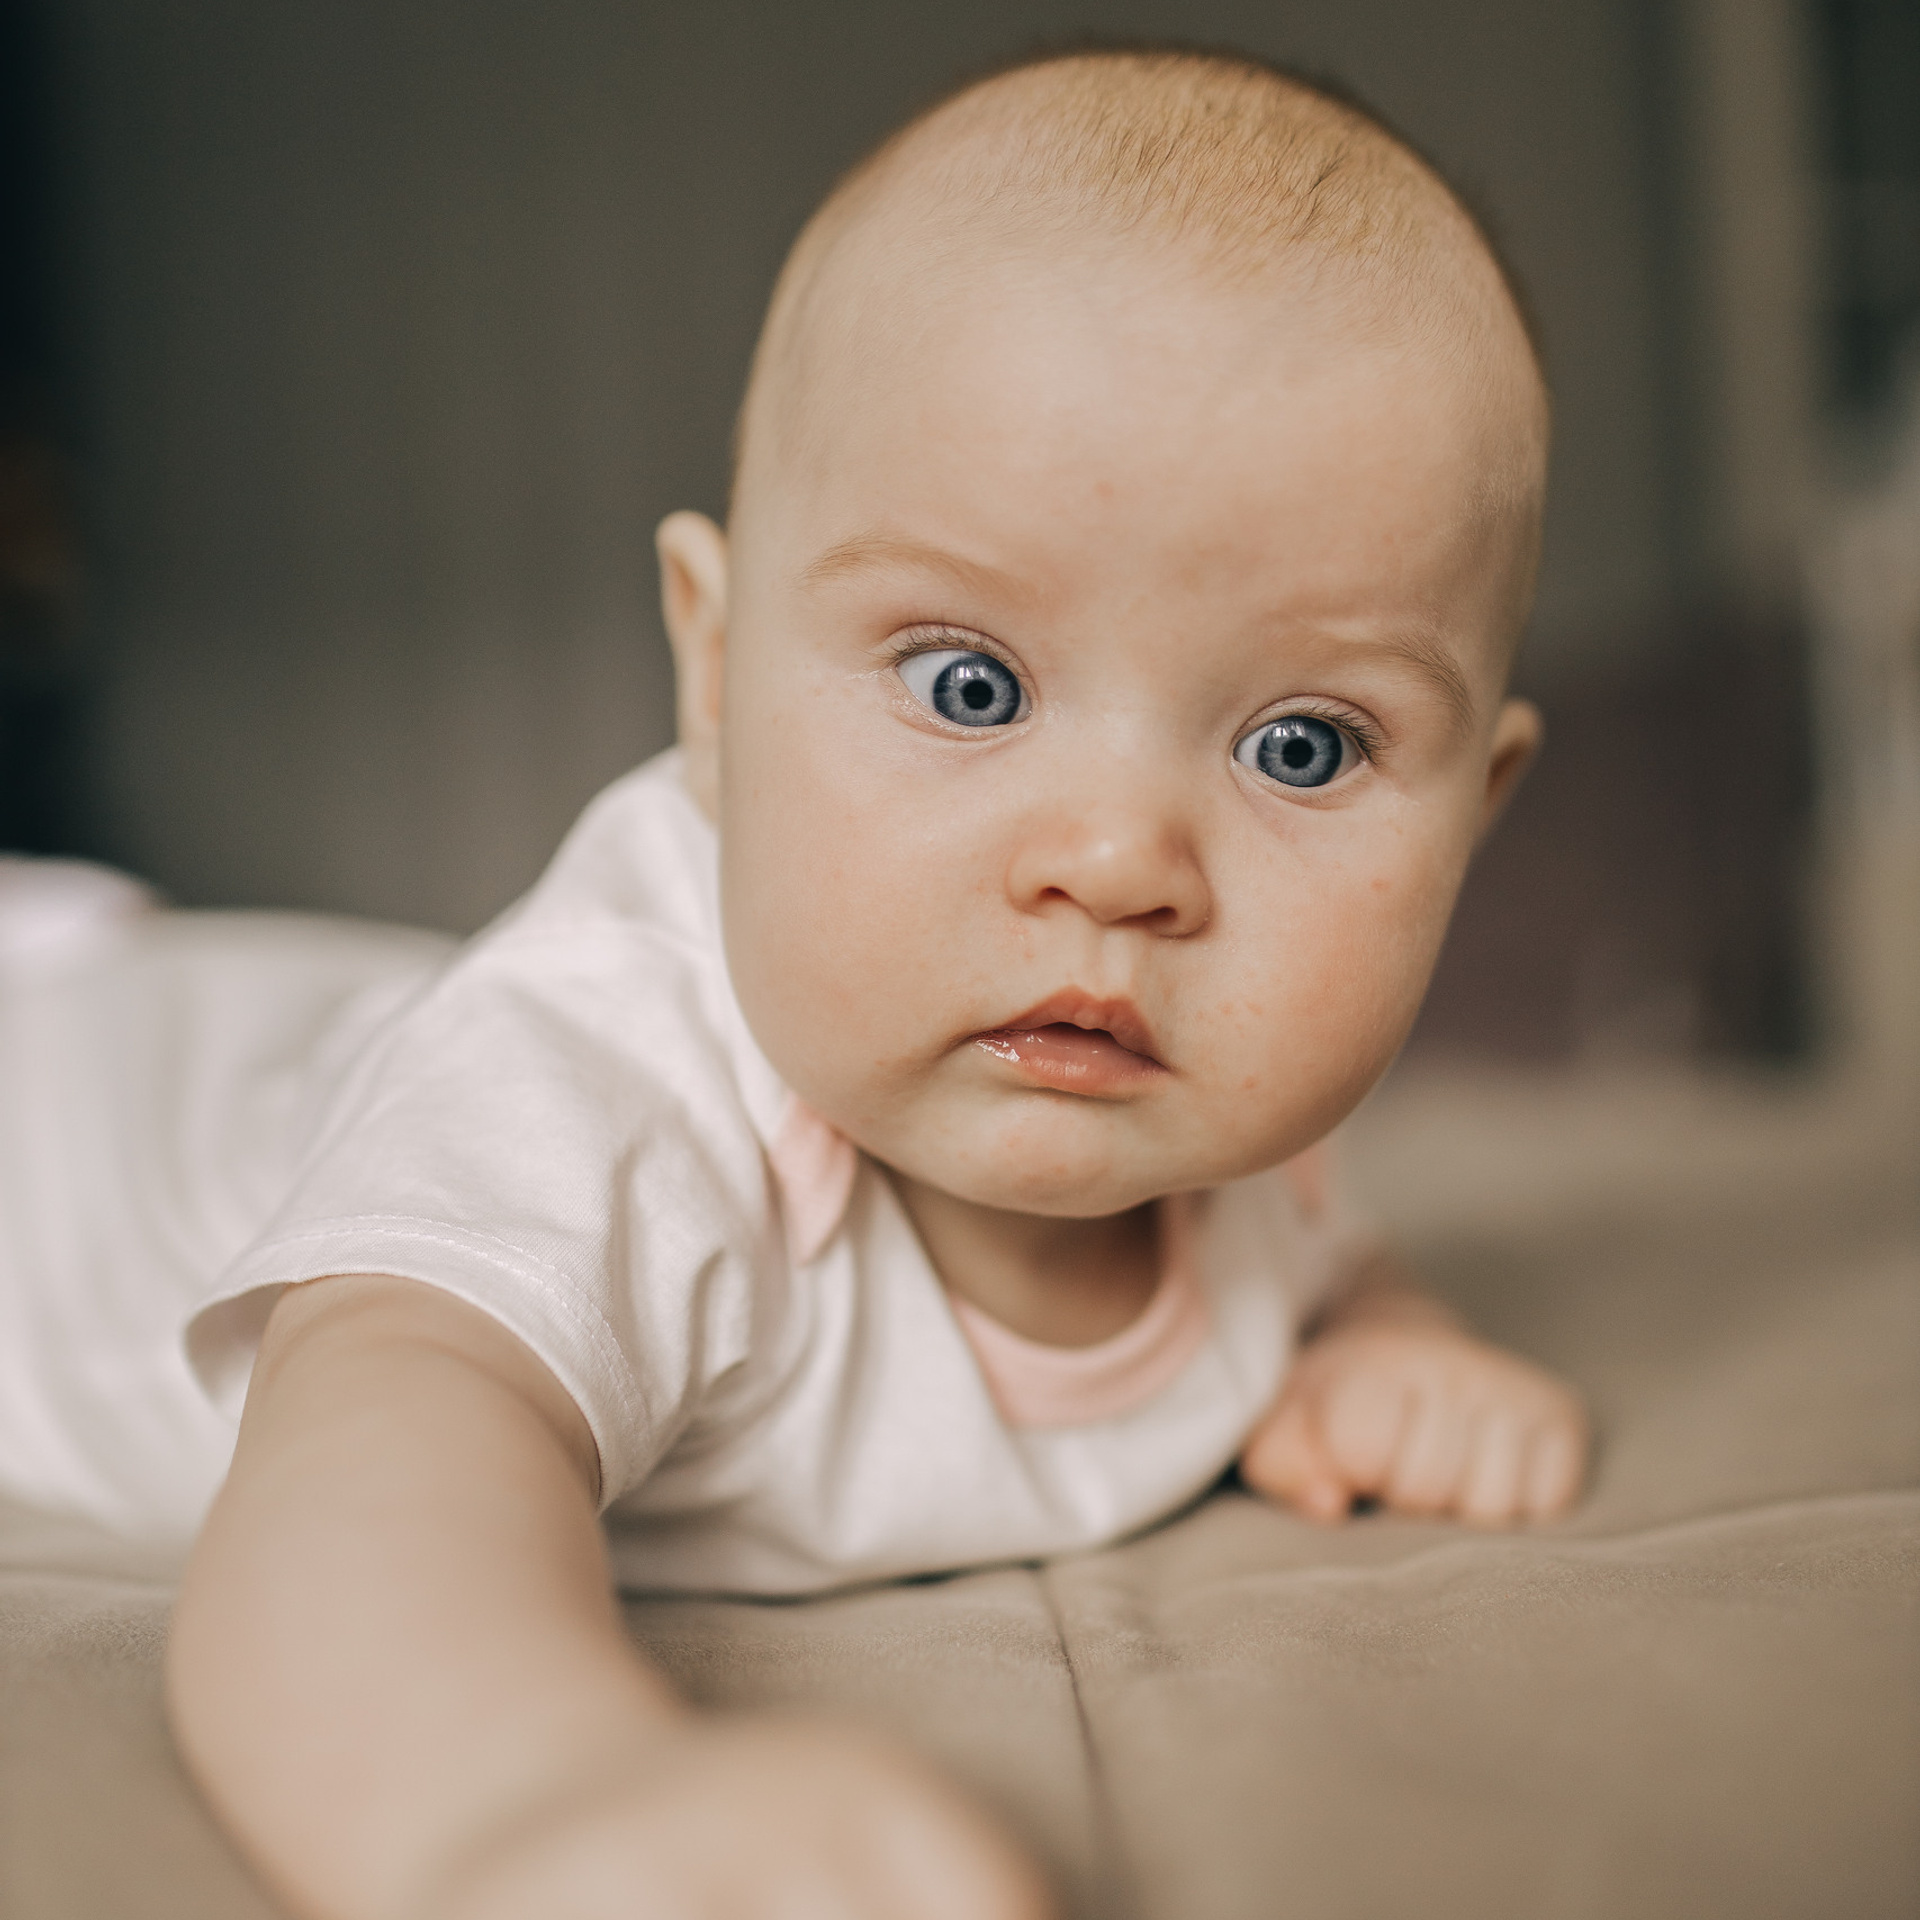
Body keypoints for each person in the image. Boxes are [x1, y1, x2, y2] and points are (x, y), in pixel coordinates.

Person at [1, 45, 1588, 1919]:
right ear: (715, 673)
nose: (1120, 865)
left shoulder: (1232, 1132)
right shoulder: (609, 1105)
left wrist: (1380, 1336)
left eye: (1306, 749)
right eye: (970, 686)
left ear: (1471, 817)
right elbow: (378, 1472)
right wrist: (524, 1798)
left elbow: (1310, 1243)